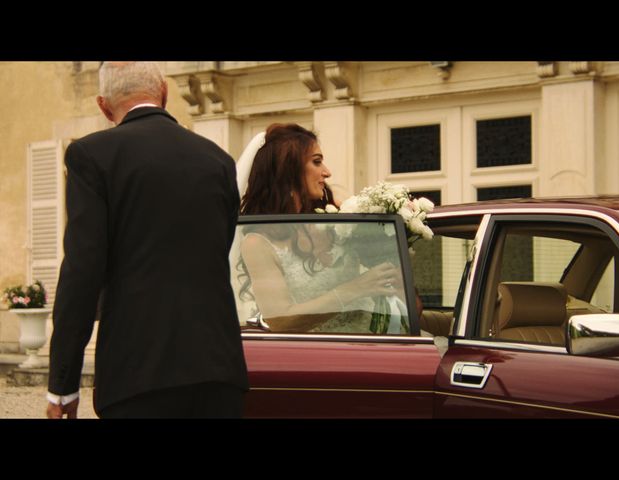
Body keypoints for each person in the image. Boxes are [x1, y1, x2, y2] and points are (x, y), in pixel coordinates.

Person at [46, 62, 248, 419]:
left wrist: (63, 385)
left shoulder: (92, 156)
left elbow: (82, 272)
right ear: (165, 94)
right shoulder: (218, 160)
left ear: (103, 106)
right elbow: (221, 248)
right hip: (219, 370)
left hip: (137, 374)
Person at [236, 124, 404, 333]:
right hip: (322, 350)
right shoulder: (257, 243)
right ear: (288, 170)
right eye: (316, 162)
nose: (327, 172)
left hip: (377, 334)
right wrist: (355, 289)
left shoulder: (336, 220)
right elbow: (279, 321)